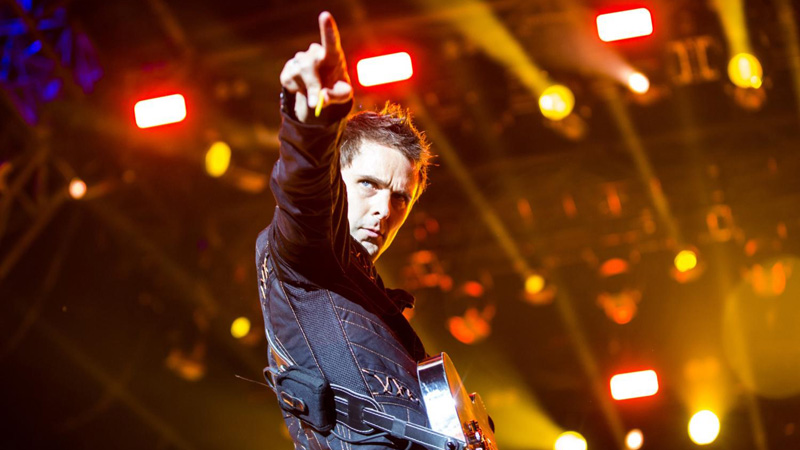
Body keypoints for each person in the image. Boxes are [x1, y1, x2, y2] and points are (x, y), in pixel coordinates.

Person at [255, 11, 433, 450]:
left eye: (400, 198)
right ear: (337, 179)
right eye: (368, 184)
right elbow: (304, 195)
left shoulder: (372, 298)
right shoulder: (309, 256)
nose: (384, 210)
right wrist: (314, 123)